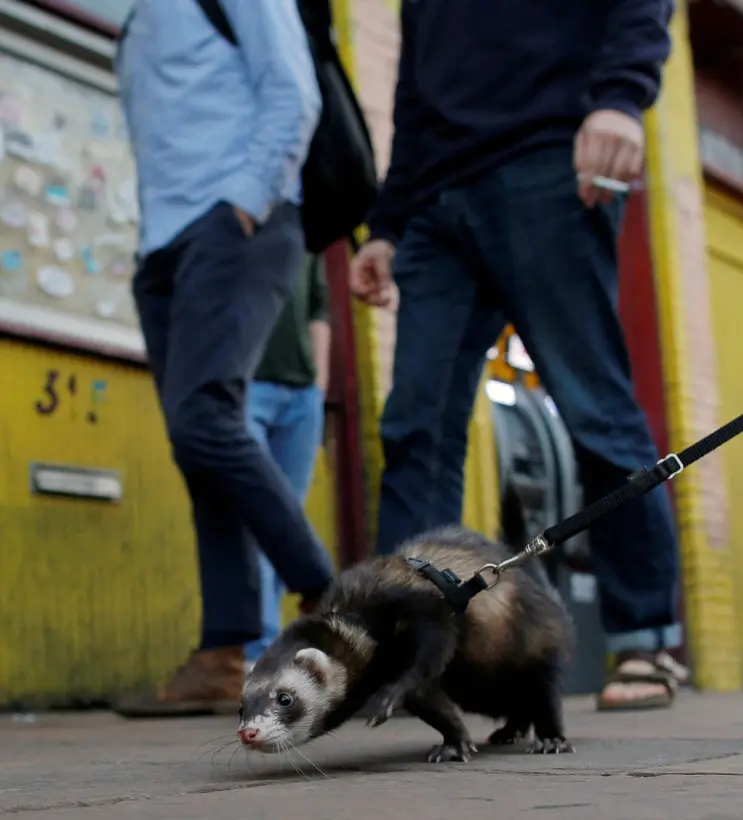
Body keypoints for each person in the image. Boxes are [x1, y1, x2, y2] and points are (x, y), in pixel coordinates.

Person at [347, 0, 687, 710]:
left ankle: (645, 635)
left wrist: (622, 97)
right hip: (436, 203)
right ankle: (407, 640)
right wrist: (384, 225)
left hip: (549, 163)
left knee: (593, 406)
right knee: (415, 428)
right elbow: (413, 100)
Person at [112, 0, 335, 715]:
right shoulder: (136, 22)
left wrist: (245, 198)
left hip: (235, 216)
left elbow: (292, 89)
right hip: (164, 244)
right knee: (198, 442)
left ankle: (333, 598)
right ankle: (222, 654)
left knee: (204, 418)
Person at [243, 253, 331, 669]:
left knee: (287, 521)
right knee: (256, 515)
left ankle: (267, 649)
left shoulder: (307, 232)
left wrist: (318, 384)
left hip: (302, 394)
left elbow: (318, 308)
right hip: (246, 382)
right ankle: (255, 651)